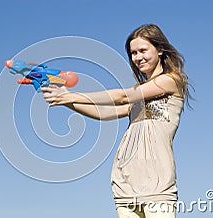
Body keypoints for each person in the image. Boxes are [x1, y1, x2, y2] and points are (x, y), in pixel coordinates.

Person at [41, 24, 192, 218]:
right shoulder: (139, 92)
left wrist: (74, 96)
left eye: (143, 50)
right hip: (126, 183)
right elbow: (103, 113)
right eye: (133, 53)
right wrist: (65, 99)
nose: (138, 57)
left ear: (160, 49)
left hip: (158, 184)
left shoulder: (171, 80)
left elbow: (122, 97)